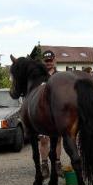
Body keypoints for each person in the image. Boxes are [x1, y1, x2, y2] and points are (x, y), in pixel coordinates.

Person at [39, 50, 63, 178]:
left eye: (50, 60)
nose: (48, 63)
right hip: (43, 113)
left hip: (57, 113)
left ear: (54, 60)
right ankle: (44, 166)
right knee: (44, 140)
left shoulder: (60, 76)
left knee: (58, 139)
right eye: (46, 61)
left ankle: (57, 164)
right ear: (44, 61)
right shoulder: (40, 76)